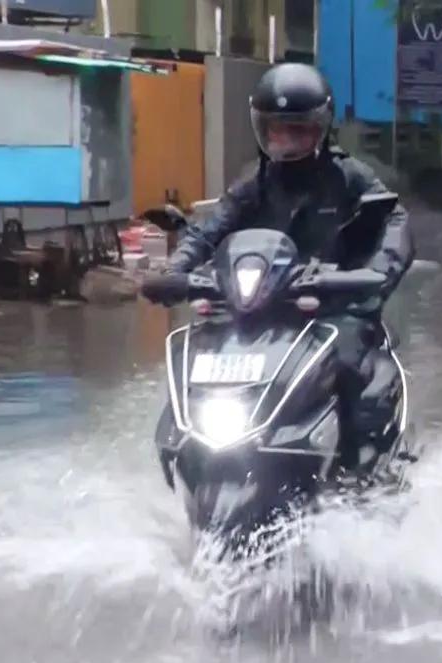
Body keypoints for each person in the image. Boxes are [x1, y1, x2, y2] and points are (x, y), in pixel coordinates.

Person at [143, 63, 415, 467]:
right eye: (276, 130)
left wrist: (377, 270)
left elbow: (396, 219)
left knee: (351, 364)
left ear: (319, 128)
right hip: (260, 301)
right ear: (262, 130)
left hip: (330, 303)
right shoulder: (255, 183)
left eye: (297, 130)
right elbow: (209, 230)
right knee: (198, 351)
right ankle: (183, 451)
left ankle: (365, 474)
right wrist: (175, 270)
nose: (285, 140)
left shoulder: (348, 176)